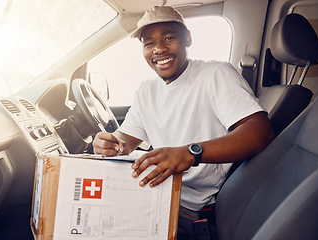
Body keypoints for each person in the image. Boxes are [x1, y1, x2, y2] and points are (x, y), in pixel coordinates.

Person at [93, 5, 275, 239]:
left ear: (187, 38)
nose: (159, 49)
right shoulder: (146, 90)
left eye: (169, 38)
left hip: (190, 207)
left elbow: (261, 131)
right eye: (148, 43)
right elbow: (125, 140)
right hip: (153, 193)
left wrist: (190, 153)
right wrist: (109, 143)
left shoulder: (216, 74)